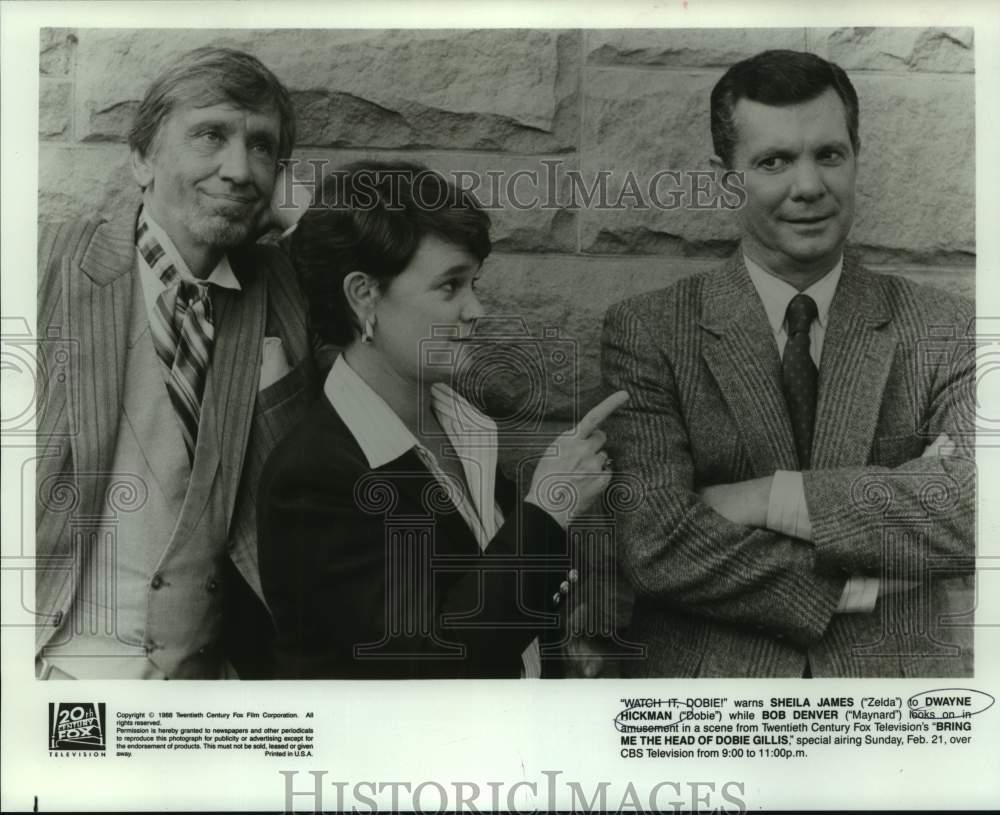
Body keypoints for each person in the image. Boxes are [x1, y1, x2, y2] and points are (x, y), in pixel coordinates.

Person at [602, 49, 975, 678]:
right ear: (725, 181)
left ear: (855, 160)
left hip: (889, 713)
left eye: (829, 155)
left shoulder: (947, 328)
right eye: (773, 161)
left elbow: (981, 510)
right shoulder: (649, 331)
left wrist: (765, 499)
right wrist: (856, 587)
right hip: (710, 713)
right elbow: (655, 540)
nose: (808, 186)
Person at [257, 161, 626, 678]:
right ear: (364, 296)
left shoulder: (465, 429)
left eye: (474, 283)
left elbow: (497, 600)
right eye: (450, 287)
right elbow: (433, 663)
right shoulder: (313, 476)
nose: (476, 308)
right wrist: (548, 508)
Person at [35, 47, 315, 679]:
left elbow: (387, 280)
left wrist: (295, 216)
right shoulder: (44, 260)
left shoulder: (284, 286)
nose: (240, 169)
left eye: (263, 147)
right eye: (210, 135)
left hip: (212, 683)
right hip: (56, 670)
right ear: (141, 158)